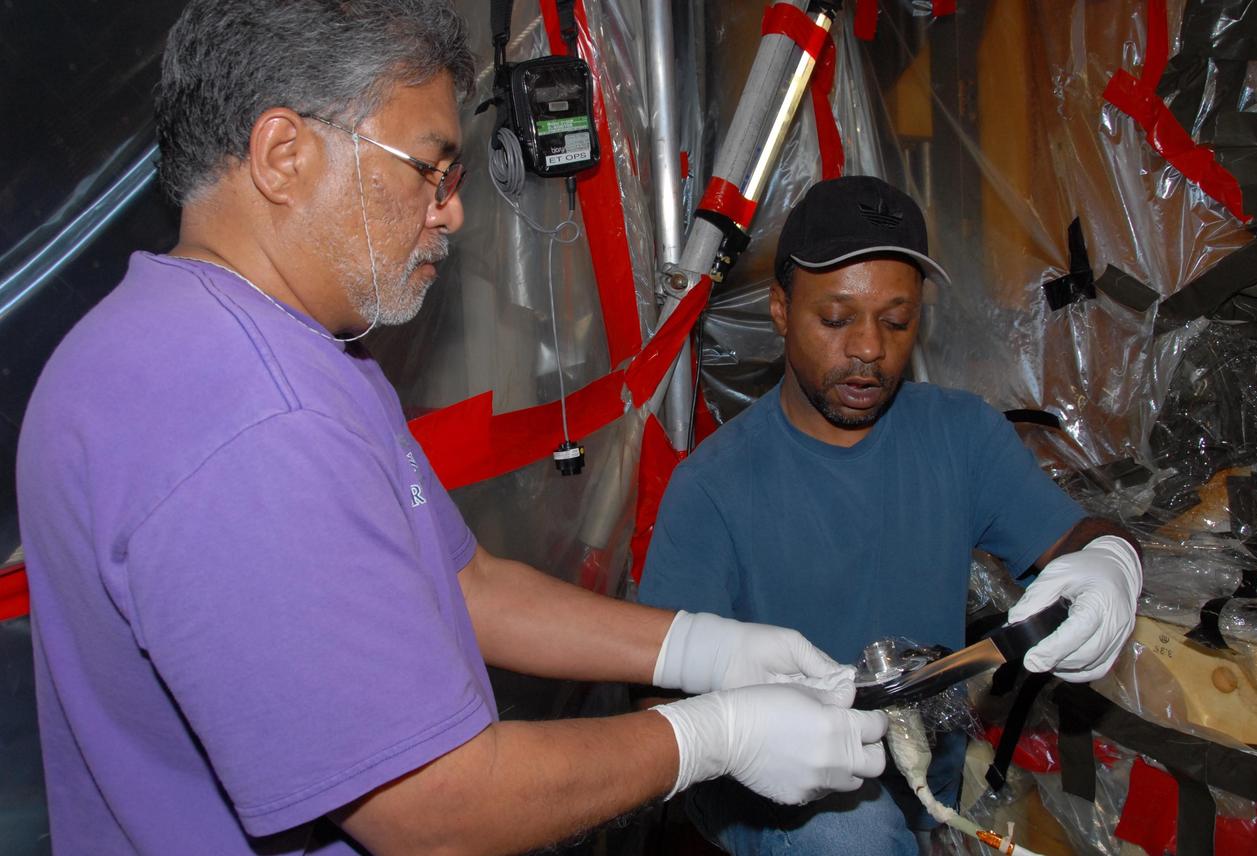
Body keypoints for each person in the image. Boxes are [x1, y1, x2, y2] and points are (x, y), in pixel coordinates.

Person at [14, 4, 893, 854]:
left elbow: (465, 586)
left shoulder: (236, 340)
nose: (453, 212)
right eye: (428, 170)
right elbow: (435, 813)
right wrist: (713, 737)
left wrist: (703, 649)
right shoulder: (249, 422)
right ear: (284, 155)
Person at [637, 176, 1143, 855]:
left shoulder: (959, 436)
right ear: (781, 309)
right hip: (768, 788)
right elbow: (657, 710)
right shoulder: (712, 488)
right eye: (837, 319)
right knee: (854, 832)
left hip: (920, 779)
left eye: (896, 321)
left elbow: (1077, 536)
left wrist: (1110, 564)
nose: (869, 349)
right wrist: (742, 728)